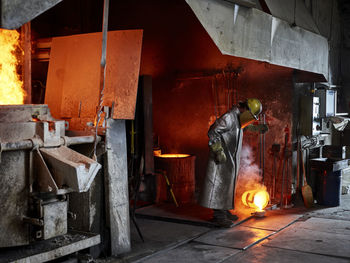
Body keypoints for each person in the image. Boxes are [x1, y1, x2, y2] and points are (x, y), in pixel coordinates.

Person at [199, 98, 263, 228]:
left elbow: (238, 128)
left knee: (227, 184)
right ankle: (219, 216)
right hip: (221, 156)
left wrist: (256, 128)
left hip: (229, 157)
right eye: (251, 116)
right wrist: (218, 150)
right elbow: (212, 131)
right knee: (218, 184)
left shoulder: (237, 119)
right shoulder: (229, 117)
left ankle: (224, 209)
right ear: (246, 110)